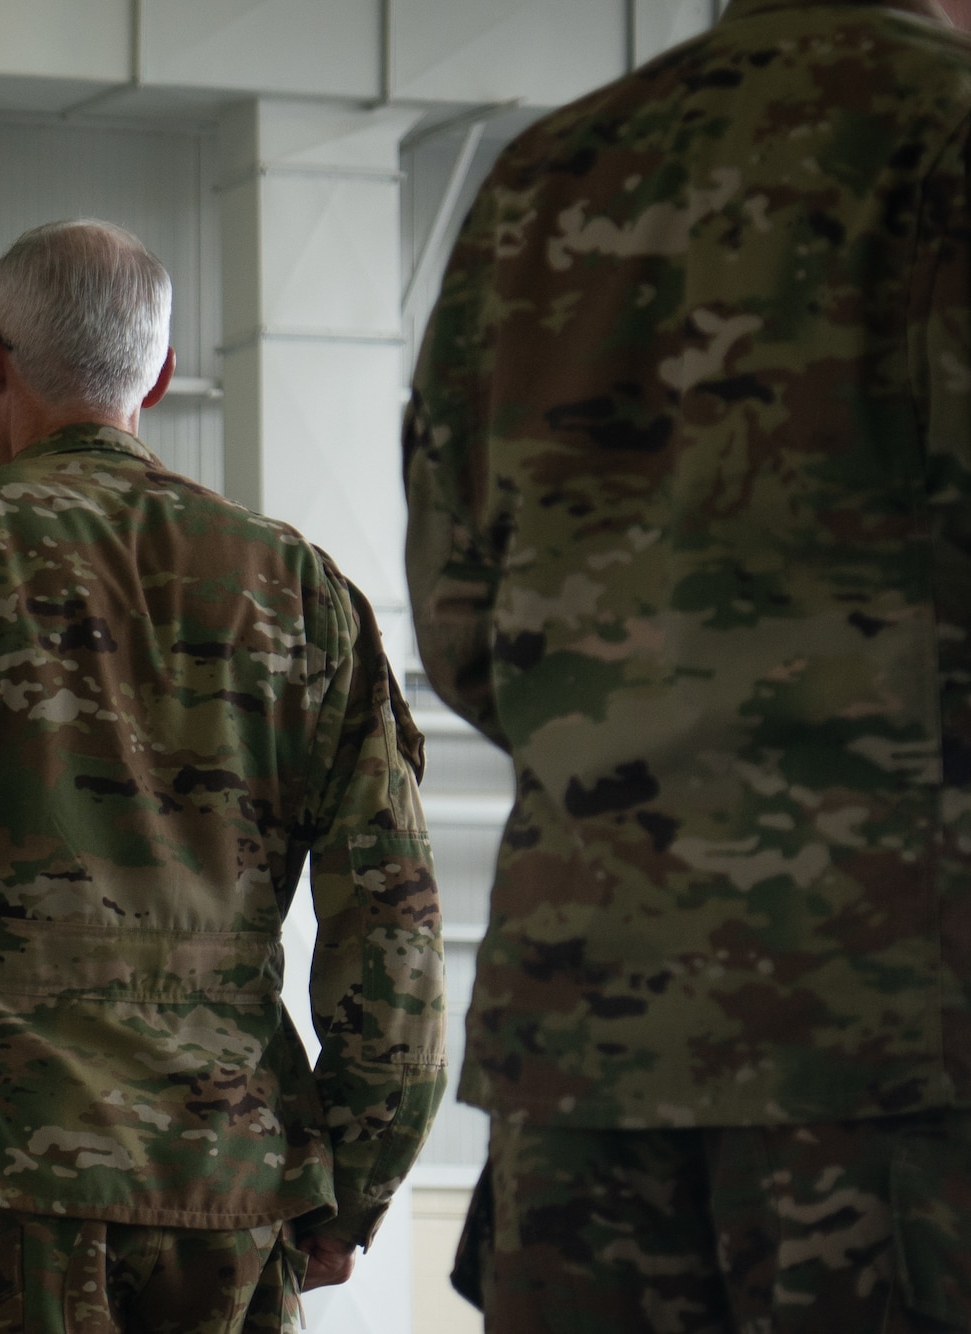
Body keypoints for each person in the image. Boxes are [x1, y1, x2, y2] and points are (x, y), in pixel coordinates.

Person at [0, 219, 447, 1332]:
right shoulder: (298, 586)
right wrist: (357, 1181)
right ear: (161, 375)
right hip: (232, 1184)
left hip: (4, 1173)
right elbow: (395, 918)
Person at [403, 2, 971, 1328]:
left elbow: (461, 617)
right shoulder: (943, 136)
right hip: (894, 1049)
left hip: (582, 1037)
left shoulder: (541, 182)